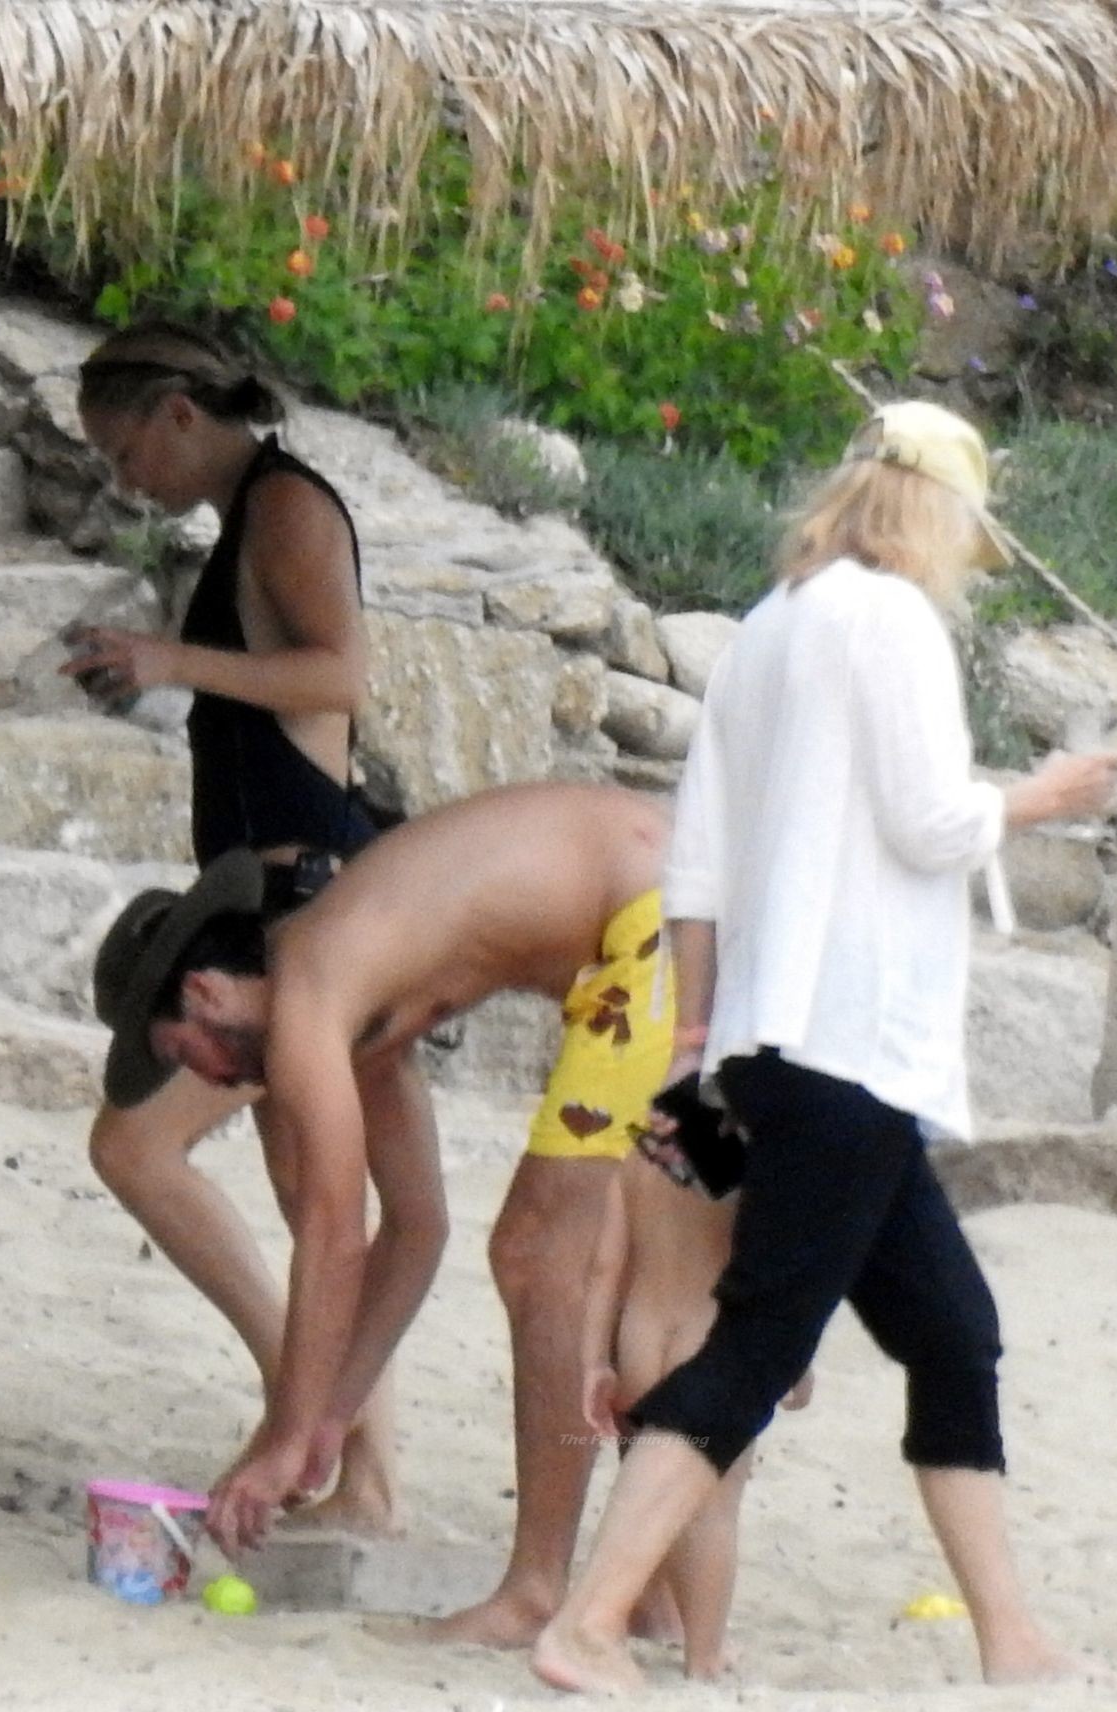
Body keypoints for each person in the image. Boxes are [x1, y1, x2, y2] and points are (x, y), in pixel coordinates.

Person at [532, 400, 1117, 1695]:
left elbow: (695, 865)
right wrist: (1045, 794)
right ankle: (587, 1622)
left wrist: (696, 1040)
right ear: (935, 515)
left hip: (774, 1038)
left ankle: (1009, 1638)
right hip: (850, 1041)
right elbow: (928, 823)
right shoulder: (889, 618)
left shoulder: (767, 626)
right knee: (758, 1341)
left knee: (952, 1333)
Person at [91, 782, 675, 1645]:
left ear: (207, 993)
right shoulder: (366, 987)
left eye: (188, 1055)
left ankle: (534, 1591)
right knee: (639, 1270)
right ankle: (657, 1595)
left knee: (538, 1253)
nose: (212, 1082)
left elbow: (333, 1235)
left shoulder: (308, 993)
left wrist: (285, 1437)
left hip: (657, 917)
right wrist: (328, 1422)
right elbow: (414, 1229)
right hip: (669, 908)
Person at [64, 321, 409, 1533]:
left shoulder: (285, 506)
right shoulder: (245, 518)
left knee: (139, 1146)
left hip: (308, 904)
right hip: (281, 897)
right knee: (314, 1190)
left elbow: (339, 677)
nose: (122, 481)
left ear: (177, 413)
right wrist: (163, 667)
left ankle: (304, 1419)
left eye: (121, 452)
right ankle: (353, 1469)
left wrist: (172, 659)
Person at [580, 1151, 813, 1680]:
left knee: (651, 1494)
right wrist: (795, 1359)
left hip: (640, 1338)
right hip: (708, 1336)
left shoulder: (638, 1161)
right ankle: (704, 1653)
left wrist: (594, 1361)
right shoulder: (745, 1162)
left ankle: (622, 1616)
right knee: (713, 1510)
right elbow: (770, 1264)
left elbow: (605, 1269)